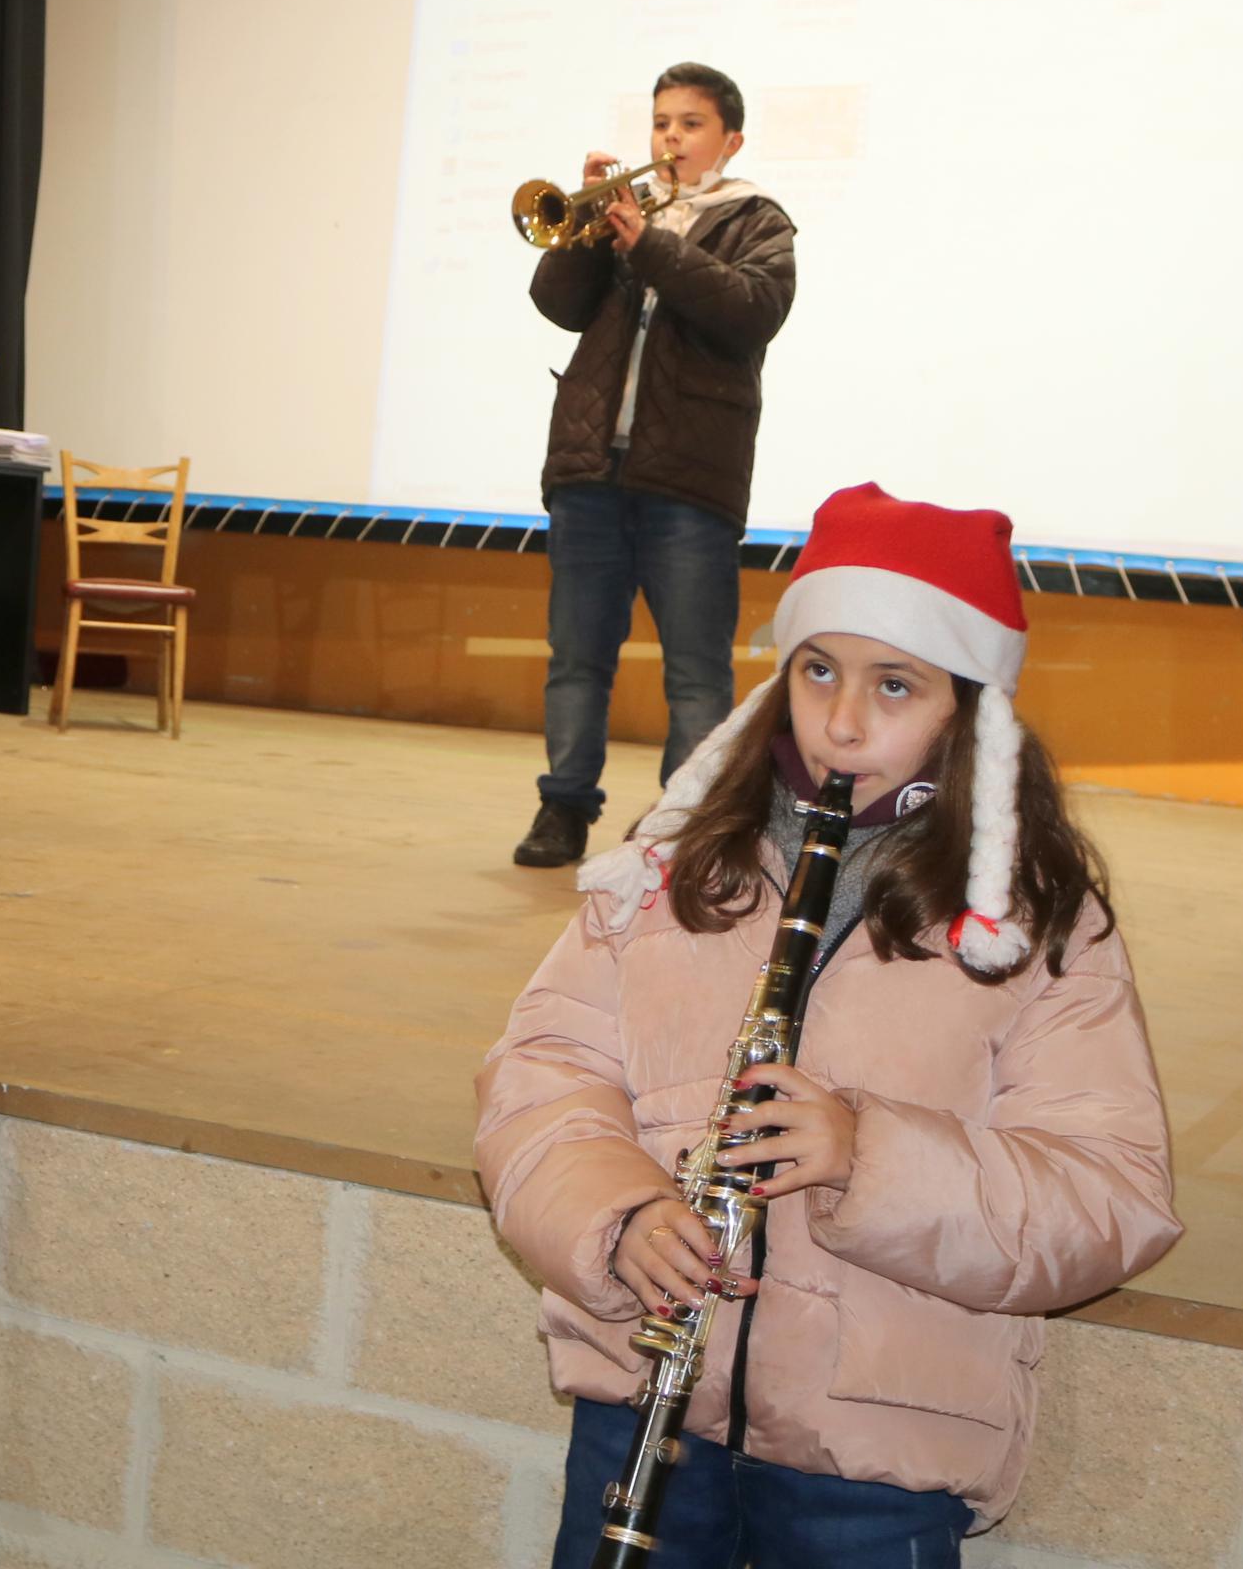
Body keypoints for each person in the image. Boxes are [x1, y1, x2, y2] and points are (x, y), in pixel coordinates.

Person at [479, 485, 1180, 1564]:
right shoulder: (672, 865)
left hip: (877, 1450)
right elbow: (540, 1072)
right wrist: (615, 1217)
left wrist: (870, 1158)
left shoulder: (1040, 922)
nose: (842, 721)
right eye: (818, 670)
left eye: (893, 683)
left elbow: (1112, 1194)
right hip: (644, 1407)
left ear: (969, 708)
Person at [515, 63, 798, 869]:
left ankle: (685, 826)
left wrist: (656, 248)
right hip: (590, 473)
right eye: (661, 123)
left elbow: (749, 313)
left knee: (696, 671)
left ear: (730, 139)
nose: (670, 138)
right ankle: (562, 811)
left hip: (690, 480)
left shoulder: (758, 221)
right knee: (577, 656)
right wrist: (585, 220)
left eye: (690, 124)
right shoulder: (619, 214)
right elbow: (558, 305)